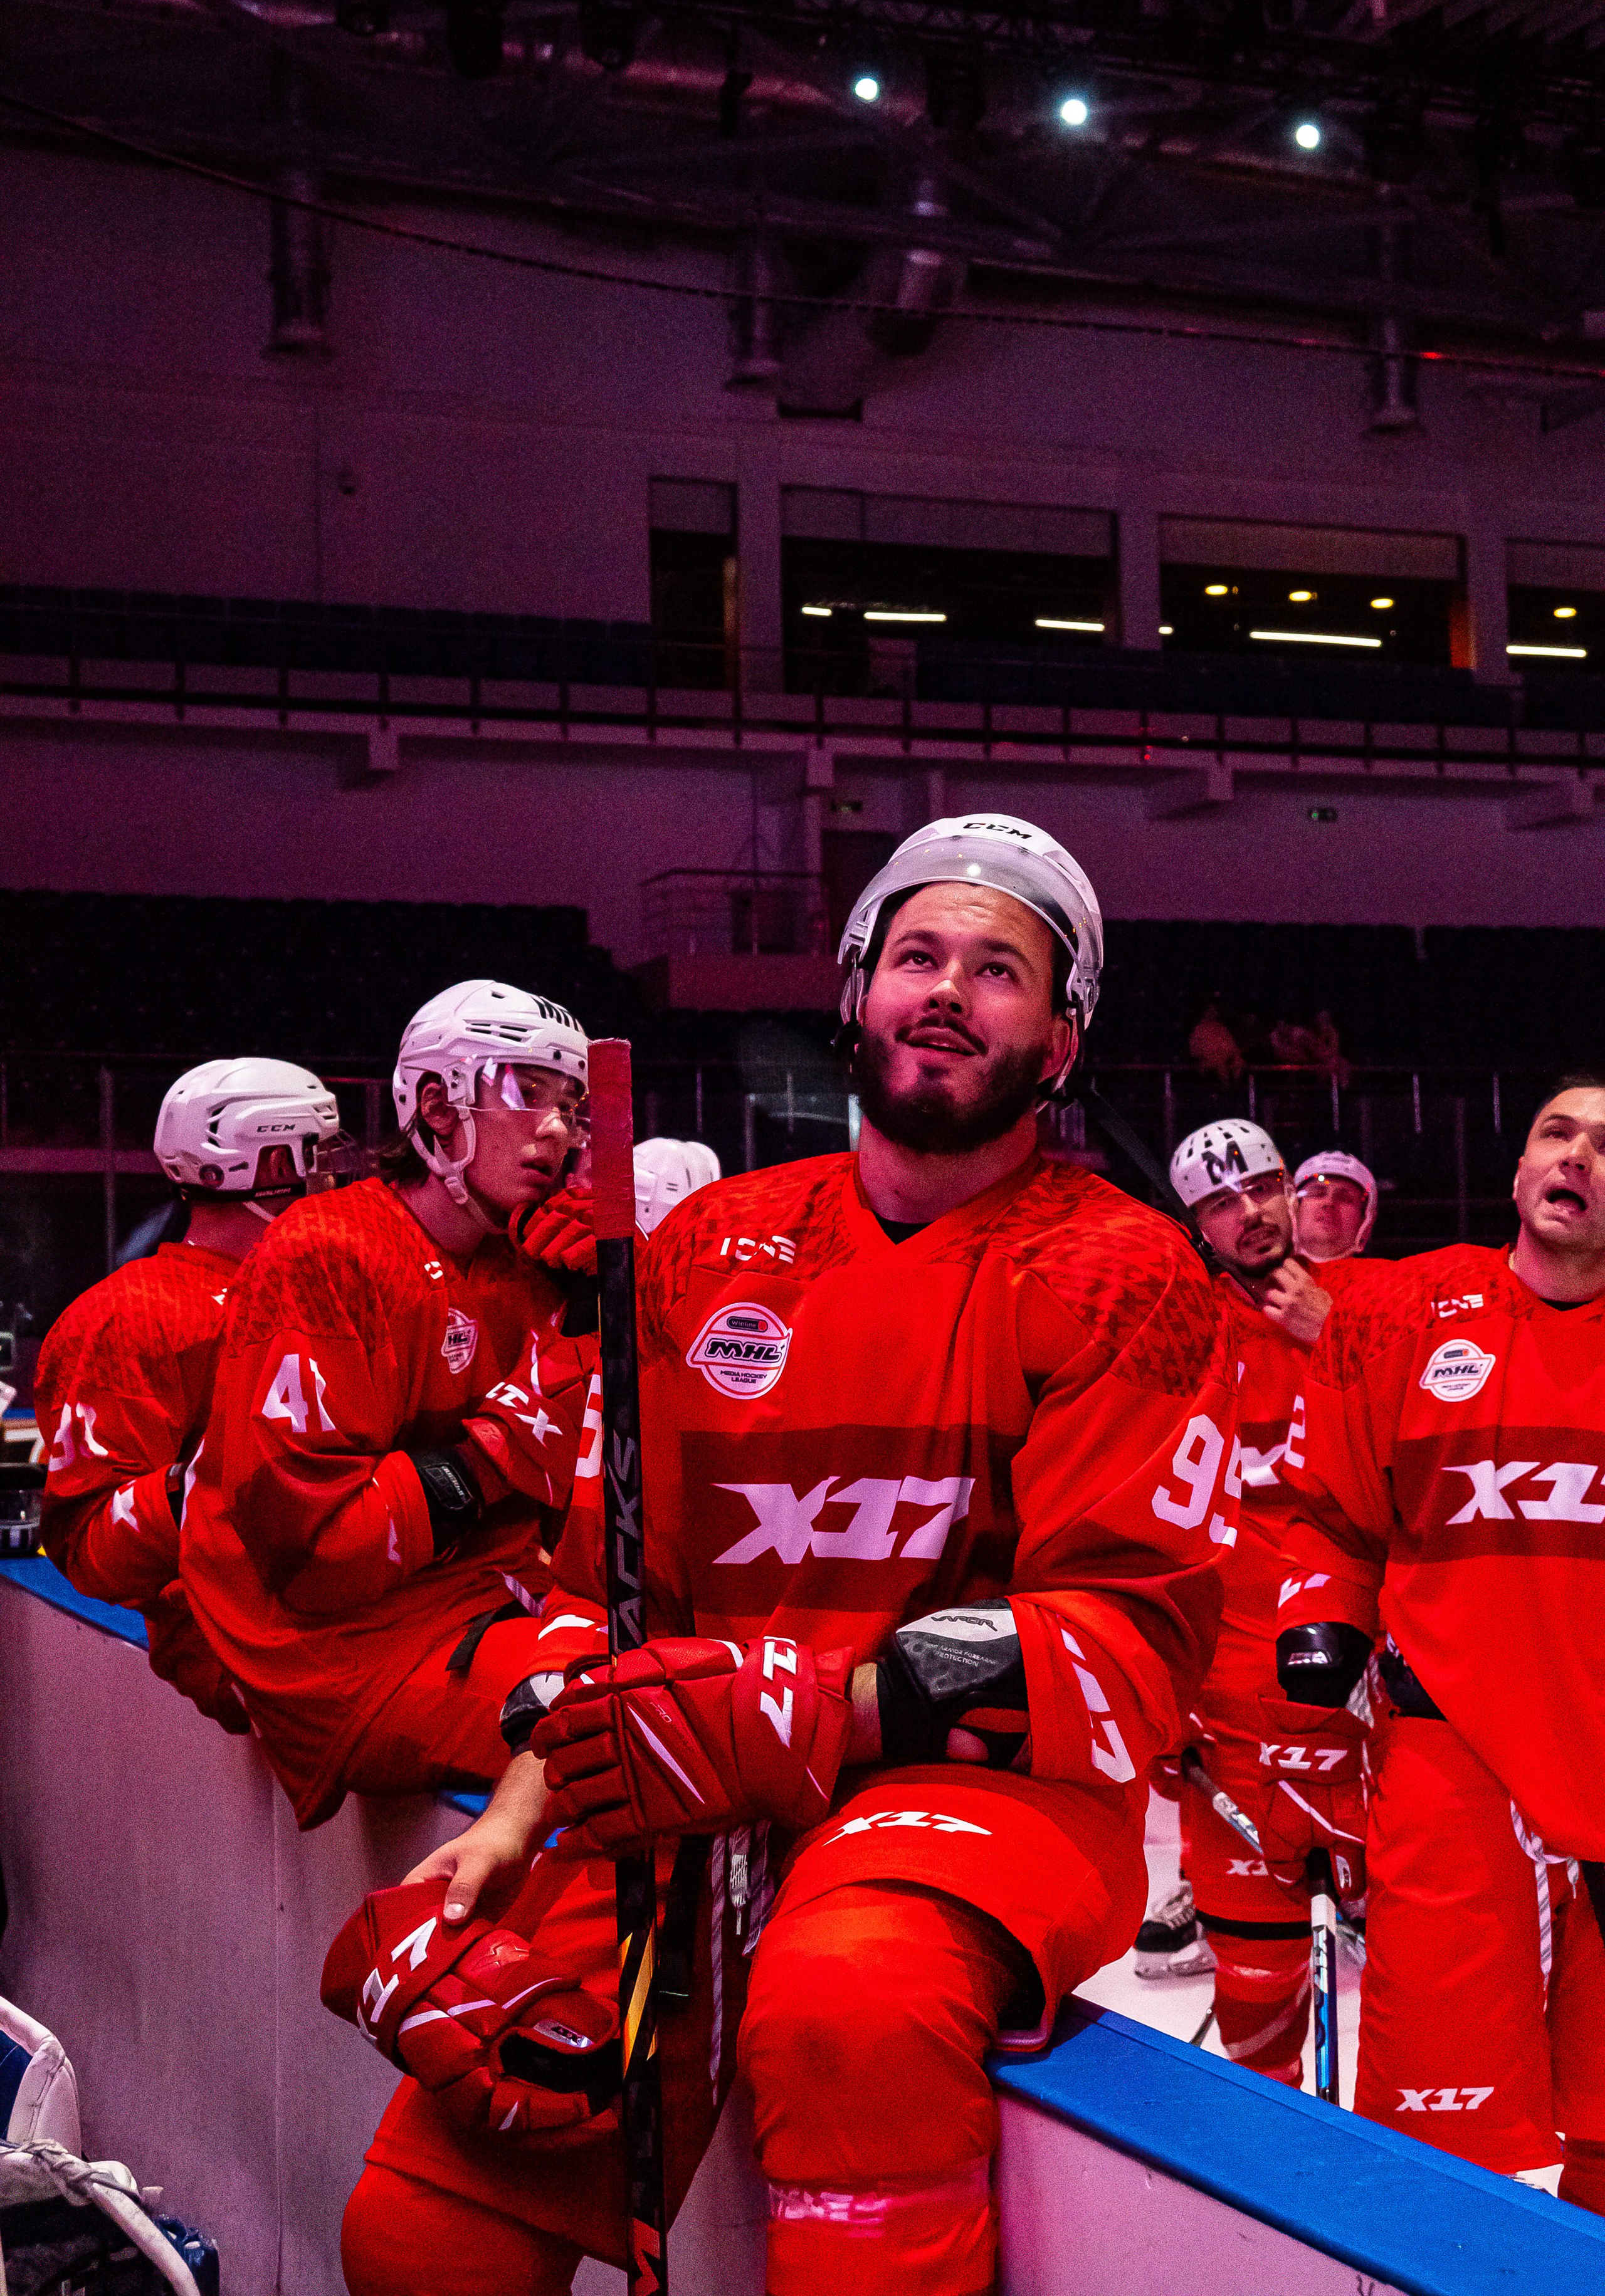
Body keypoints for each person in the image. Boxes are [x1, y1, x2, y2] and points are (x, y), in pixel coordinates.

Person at [326, 812, 1238, 2296]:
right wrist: (513, 1815)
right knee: (419, 2233)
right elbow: (608, 1590)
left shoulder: (1121, 1267)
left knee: (846, 1998)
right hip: (687, 1759)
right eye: (917, 953)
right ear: (854, 991)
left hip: (968, 1793)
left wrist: (795, 1713)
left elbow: (1126, 1637)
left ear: (1059, 1040)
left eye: (998, 969)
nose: (946, 988)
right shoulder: (708, 1247)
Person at [1273, 1074, 1605, 2210]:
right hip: (1453, 1764)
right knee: (1433, 2150)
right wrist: (1319, 1614)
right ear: (1517, 1173)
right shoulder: (1405, 1313)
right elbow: (1321, 1506)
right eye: (1557, 1133)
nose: (1579, 1156)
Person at [179, 982, 603, 1828]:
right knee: (638, 1724)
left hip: (486, 1598)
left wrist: (615, 1313)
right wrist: (504, 1446)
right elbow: (318, 1561)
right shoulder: (330, 1252)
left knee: (711, 1679)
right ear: (439, 1109)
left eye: (571, 1105)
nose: (557, 1130)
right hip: (345, 1655)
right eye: (527, 1092)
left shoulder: (523, 1263)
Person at [35, 1058, 347, 1728]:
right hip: (240, 1635)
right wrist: (204, 1485)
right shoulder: (131, 1316)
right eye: (316, 1153)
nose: (334, 1175)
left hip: (354, 1591)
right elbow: (91, 1548)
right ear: (268, 1167)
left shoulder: (329, 1285)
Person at [1134, 1121, 1345, 2089]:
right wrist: (1155, 1691)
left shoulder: (1376, 1308)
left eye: (1263, 1186)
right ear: (1196, 1224)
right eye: (1223, 1202)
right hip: (1228, 1715)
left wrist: (1334, 1334)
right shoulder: (1175, 1335)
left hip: (1363, 1711)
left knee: (1417, 2003)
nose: (1252, 1212)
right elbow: (1145, 1531)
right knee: (1258, 2003)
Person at [1292, 1149, 1379, 1263]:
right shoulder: (1264, 1278)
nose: (1329, 1202)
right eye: (1317, 1193)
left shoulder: (1391, 1278)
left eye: (1345, 1199)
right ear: (1293, 1209)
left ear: (1365, 1222)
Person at [1188, 1000, 1243, 1086]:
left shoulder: (1222, 1029)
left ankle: (1236, 1088)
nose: (1213, 1013)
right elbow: (1195, 1051)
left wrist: (1235, 1057)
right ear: (1205, 1013)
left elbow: (1232, 1047)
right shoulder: (1199, 1029)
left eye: (1214, 1011)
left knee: (1239, 1063)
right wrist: (1209, 1057)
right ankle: (1226, 1090)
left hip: (1225, 1059)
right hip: (1208, 1062)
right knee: (1220, 1066)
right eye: (1210, 1011)